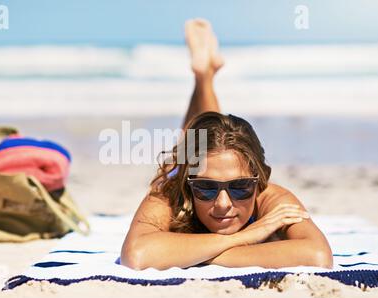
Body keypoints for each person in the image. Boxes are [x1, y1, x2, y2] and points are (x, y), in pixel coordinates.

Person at [120, 19, 333, 270]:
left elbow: (318, 256)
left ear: (259, 178)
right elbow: (137, 256)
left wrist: (192, 254)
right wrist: (245, 237)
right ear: (189, 188)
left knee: (198, 143)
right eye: (206, 188)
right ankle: (204, 74)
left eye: (241, 186)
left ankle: (204, 75)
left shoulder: (271, 198)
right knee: (190, 150)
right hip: (185, 169)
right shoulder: (170, 193)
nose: (223, 203)